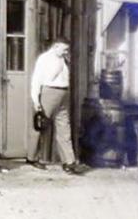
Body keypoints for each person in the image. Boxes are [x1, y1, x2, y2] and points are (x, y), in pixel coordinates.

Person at [29, 40, 86, 174]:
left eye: (67, 49)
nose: (66, 52)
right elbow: (36, 80)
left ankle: (69, 162)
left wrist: (65, 61)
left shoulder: (63, 59)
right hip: (50, 92)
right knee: (40, 124)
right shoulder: (44, 59)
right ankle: (32, 157)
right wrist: (36, 101)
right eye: (64, 49)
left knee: (64, 126)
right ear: (56, 46)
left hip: (63, 94)